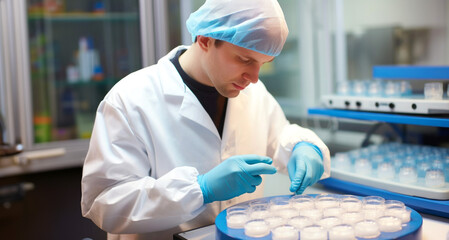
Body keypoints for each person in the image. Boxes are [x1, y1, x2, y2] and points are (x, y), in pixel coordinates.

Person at [81, 0, 331, 239]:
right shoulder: (131, 99)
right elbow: (106, 204)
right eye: (245, 60)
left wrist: (302, 146)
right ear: (205, 40)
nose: (254, 77)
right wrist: (200, 189)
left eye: (263, 63)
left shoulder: (254, 92)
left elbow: (278, 134)